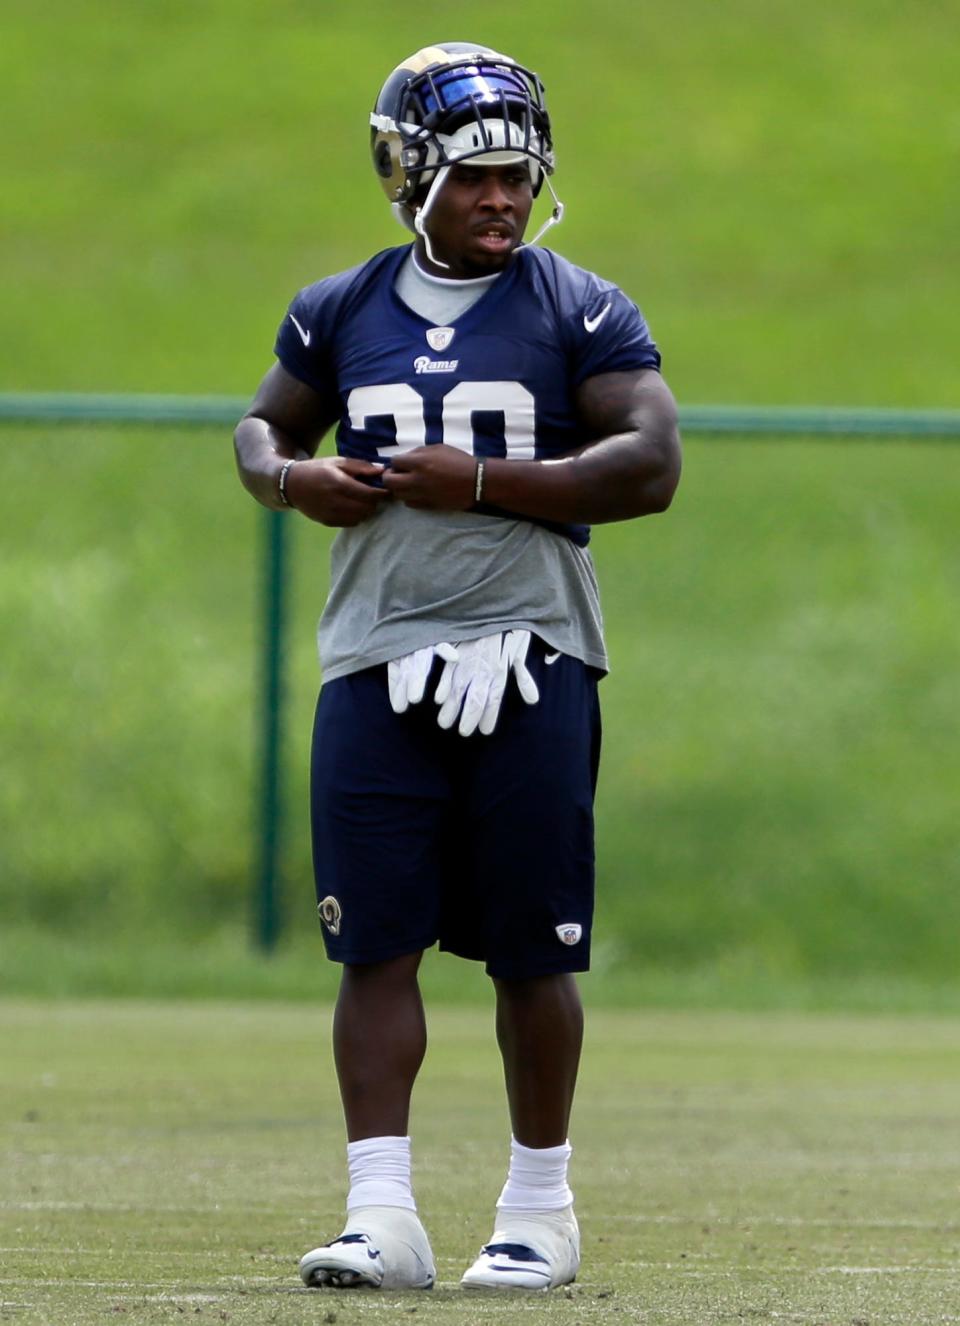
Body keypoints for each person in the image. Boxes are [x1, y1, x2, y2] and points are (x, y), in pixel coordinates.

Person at [233, 41, 681, 1293]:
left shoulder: (577, 307)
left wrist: (481, 480)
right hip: (376, 658)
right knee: (374, 944)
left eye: (519, 176)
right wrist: (288, 477)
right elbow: (263, 423)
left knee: (536, 948)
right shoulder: (339, 308)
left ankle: (540, 1210)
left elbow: (649, 463)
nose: (503, 199)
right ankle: (382, 1215)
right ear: (409, 173)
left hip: (529, 655)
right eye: (478, 175)